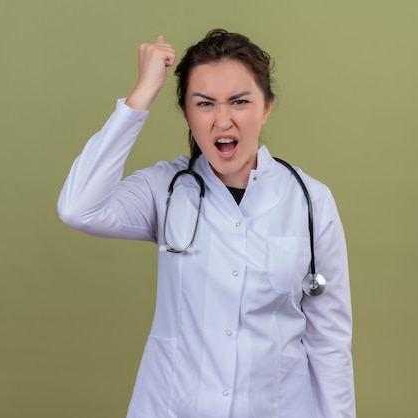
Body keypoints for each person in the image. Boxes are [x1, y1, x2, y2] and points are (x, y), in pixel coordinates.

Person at [58, 29, 355, 418]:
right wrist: (141, 96)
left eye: (240, 102)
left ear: (266, 108)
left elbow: (329, 339)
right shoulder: (164, 189)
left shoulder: (310, 200)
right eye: (204, 104)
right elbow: (78, 207)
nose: (222, 120)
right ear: (186, 112)